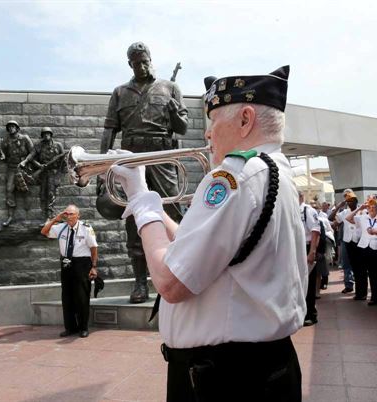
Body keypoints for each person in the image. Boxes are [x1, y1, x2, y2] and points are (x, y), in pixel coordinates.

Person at [111, 66, 306, 401]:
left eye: (213, 122)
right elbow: (201, 244)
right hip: (259, 366)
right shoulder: (273, 172)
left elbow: (171, 283)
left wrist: (142, 202)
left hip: (226, 376)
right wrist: (158, 212)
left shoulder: (234, 177)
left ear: (245, 119)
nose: (207, 134)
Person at [99, 41, 189, 304]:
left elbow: (182, 127)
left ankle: (180, 272)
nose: (141, 65)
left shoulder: (170, 88)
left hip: (162, 157)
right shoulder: (119, 92)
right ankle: (140, 282)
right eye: (135, 62)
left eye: (144, 60)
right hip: (132, 157)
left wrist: (173, 110)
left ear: (151, 59)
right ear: (130, 64)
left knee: (172, 209)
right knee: (133, 217)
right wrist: (103, 169)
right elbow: (109, 131)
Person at [41, 204, 98, 338]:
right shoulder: (61, 228)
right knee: (67, 297)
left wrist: (94, 266)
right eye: (67, 214)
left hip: (82, 263)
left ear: (78, 215)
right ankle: (70, 327)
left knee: (82, 296)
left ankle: (83, 327)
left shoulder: (86, 229)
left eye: (72, 214)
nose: (69, 216)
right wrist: (56, 218)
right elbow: (44, 232)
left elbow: (94, 248)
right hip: (66, 263)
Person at [347, 200, 377, 306]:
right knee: (371, 274)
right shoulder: (363, 218)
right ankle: (374, 297)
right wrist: (359, 208)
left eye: (374, 207)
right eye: (369, 207)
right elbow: (348, 218)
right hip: (367, 249)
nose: (371, 209)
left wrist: (376, 232)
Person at [24, 127, 66, 221]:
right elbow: (32, 156)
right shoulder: (39, 146)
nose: (46, 136)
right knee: (43, 194)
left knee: (51, 194)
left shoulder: (58, 146)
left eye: (48, 134)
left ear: (51, 135)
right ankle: (44, 215)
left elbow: (63, 162)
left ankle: (50, 216)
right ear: (42, 136)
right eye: (44, 134)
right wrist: (39, 165)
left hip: (53, 173)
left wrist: (60, 176)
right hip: (43, 173)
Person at [0, 120, 34, 226]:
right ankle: (10, 216)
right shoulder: (5, 141)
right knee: (9, 190)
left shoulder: (25, 138)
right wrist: (2, 157)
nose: (11, 128)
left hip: (23, 168)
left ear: (17, 128)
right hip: (11, 168)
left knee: (25, 189)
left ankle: (29, 215)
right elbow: (3, 156)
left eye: (13, 126)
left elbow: (33, 152)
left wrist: (25, 161)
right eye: (9, 127)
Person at [332, 191, 362, 296]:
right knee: (346, 264)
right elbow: (331, 218)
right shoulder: (344, 212)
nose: (350, 203)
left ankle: (360, 288)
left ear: (356, 201)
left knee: (359, 266)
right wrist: (338, 207)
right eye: (348, 201)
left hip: (358, 241)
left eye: (352, 200)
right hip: (347, 241)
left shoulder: (362, 211)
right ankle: (348, 285)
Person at [299, 191, 321, 325]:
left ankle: (311, 314)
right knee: (300, 283)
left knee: (309, 283)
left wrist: (312, 251)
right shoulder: (294, 210)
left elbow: (315, 231)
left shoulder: (308, 210)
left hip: (307, 248)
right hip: (298, 248)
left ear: (300, 197)